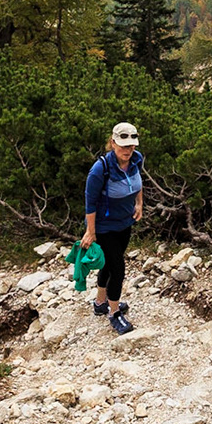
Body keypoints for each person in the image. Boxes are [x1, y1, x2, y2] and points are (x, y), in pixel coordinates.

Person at [82, 121, 145, 333]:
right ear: (113, 143)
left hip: (125, 221)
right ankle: (115, 313)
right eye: (123, 145)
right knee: (118, 268)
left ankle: (101, 303)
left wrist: (139, 203)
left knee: (108, 265)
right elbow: (90, 202)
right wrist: (91, 231)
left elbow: (137, 182)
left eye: (131, 145)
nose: (128, 150)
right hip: (104, 226)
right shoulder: (100, 169)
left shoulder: (136, 160)